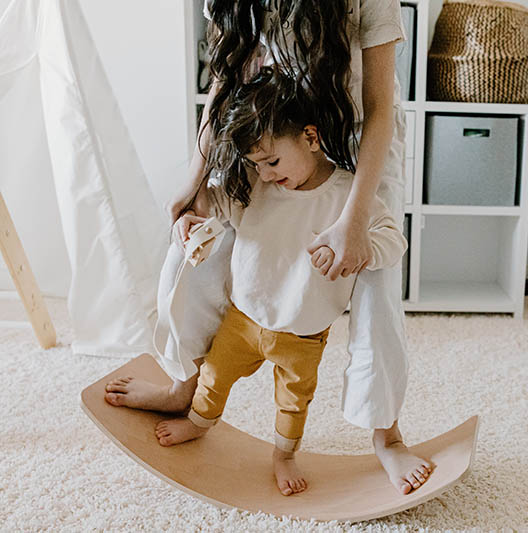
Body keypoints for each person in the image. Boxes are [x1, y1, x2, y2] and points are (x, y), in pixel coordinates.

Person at [105, 0, 431, 495]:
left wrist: (355, 218)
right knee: (193, 252)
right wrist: (195, 179)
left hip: (358, 136)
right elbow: (224, 83)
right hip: (270, 133)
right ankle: (184, 387)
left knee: (377, 287)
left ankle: (387, 435)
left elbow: (382, 107)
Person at [152, 69, 412, 496]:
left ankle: (284, 455)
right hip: (242, 319)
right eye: (258, 165)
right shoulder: (258, 184)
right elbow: (220, 204)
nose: (267, 173)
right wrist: (194, 219)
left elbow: (389, 239)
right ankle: (199, 422)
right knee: (214, 376)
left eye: (272, 161)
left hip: (303, 335)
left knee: (293, 404)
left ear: (311, 137)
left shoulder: (348, 195)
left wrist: (359, 246)